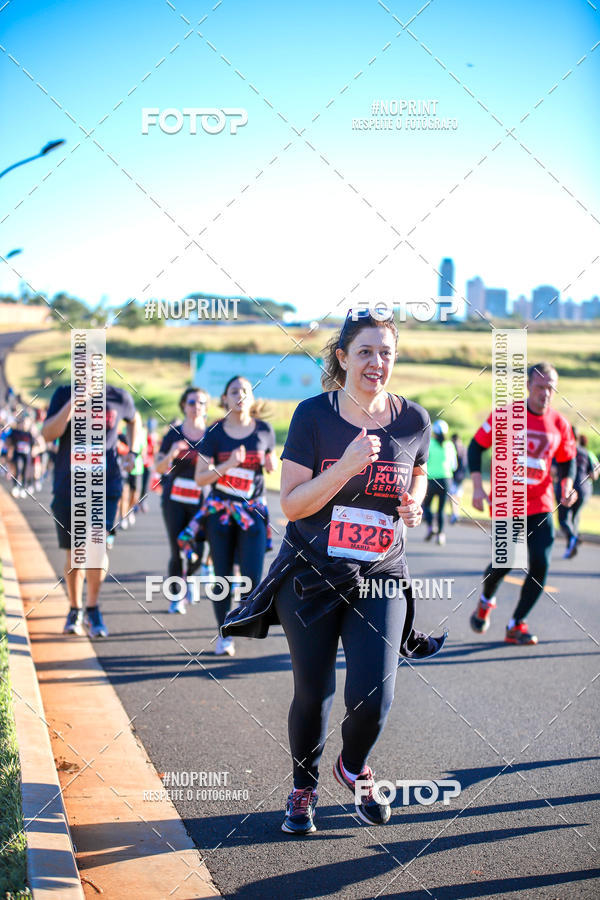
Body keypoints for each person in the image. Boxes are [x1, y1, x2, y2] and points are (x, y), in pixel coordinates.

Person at [220, 311, 446, 836]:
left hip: (381, 571)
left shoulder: (413, 419)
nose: (377, 362)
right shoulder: (312, 416)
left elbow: (418, 474)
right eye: (365, 351)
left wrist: (412, 503)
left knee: (376, 693)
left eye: (386, 352)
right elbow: (293, 505)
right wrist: (344, 467)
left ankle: (353, 765)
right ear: (342, 357)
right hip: (312, 572)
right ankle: (304, 787)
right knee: (314, 691)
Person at [468, 362, 577, 645]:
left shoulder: (559, 424)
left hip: (541, 503)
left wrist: (566, 485)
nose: (546, 393)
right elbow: (476, 446)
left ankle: (516, 624)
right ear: (528, 386)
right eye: (540, 386)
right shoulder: (506, 415)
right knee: (505, 562)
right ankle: (486, 599)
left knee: (540, 563)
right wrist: (478, 488)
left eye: (551, 387)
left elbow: (567, 462)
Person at [42, 381, 137, 638]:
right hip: (69, 485)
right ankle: (75, 608)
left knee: (95, 547)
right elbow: (48, 434)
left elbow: (134, 419)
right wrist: (74, 403)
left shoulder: (119, 395)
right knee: (75, 555)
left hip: (106, 485)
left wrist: (134, 452)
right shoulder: (63, 393)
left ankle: (93, 608)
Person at [194, 376, 276, 656]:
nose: (240, 394)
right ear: (225, 398)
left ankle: (243, 617)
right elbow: (200, 479)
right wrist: (228, 464)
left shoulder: (264, 430)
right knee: (222, 576)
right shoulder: (214, 433)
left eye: (245, 390)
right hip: (221, 512)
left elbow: (271, 464)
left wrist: (270, 462)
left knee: (253, 577)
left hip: (252, 512)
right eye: (234, 391)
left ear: (252, 398)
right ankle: (224, 633)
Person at [155, 388, 208, 614]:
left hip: (201, 500)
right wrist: (171, 454)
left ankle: (191, 577)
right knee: (177, 549)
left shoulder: (213, 434)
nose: (196, 406)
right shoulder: (174, 434)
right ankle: (177, 595)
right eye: (192, 402)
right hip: (174, 499)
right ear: (183, 405)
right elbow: (158, 467)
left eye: (201, 403)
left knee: (200, 549)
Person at [559, 430, 599, 559]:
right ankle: (571, 545)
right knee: (575, 517)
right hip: (584, 490)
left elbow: (553, 470)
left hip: (567, 489)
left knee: (563, 519)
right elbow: (594, 474)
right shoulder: (588, 453)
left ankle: (572, 539)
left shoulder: (562, 451)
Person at [422, 419, 457, 545]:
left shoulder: (429, 444)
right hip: (447, 479)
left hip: (431, 479)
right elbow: (454, 465)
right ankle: (441, 535)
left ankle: (432, 527)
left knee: (426, 506)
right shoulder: (450, 445)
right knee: (441, 509)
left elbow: (424, 462)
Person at [448, 432, 467, 524]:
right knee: (457, 496)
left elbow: (453, 463)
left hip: (454, 476)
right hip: (462, 476)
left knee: (452, 496)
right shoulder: (464, 448)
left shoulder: (454, 447)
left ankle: (455, 514)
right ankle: (456, 513)